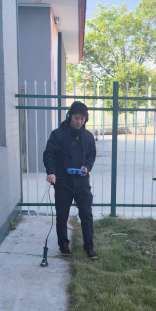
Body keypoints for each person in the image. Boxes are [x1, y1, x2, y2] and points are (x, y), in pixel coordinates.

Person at [43, 101, 97, 260]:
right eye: (76, 118)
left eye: (82, 119)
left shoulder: (88, 136)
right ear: (70, 116)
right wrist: (51, 172)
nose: (79, 121)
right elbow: (49, 154)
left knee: (86, 214)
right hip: (63, 182)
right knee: (62, 215)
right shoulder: (57, 134)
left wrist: (87, 167)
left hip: (82, 183)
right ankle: (64, 245)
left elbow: (91, 155)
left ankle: (89, 247)